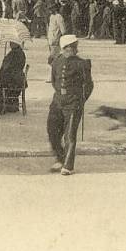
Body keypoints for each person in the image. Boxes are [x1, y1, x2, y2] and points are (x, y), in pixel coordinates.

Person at [46, 35, 94, 175]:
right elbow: (54, 80)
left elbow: (89, 85)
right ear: (63, 48)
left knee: (69, 135)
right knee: (52, 131)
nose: (73, 49)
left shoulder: (82, 63)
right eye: (69, 47)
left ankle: (68, 165)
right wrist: (61, 94)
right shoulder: (56, 62)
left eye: (74, 46)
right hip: (58, 101)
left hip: (73, 103)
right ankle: (60, 158)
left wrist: (81, 100)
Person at [0, 38, 27, 114]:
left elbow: (5, 69)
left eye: (12, 42)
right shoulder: (21, 53)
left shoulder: (12, 54)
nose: (10, 44)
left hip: (10, 80)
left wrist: (4, 61)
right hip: (19, 80)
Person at [46, 4, 66, 72]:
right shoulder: (51, 16)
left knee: (53, 58)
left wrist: (60, 39)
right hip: (50, 39)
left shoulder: (59, 17)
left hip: (56, 40)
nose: (50, 10)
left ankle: (54, 74)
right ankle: (54, 74)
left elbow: (63, 30)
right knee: (52, 58)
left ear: (55, 8)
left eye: (51, 8)